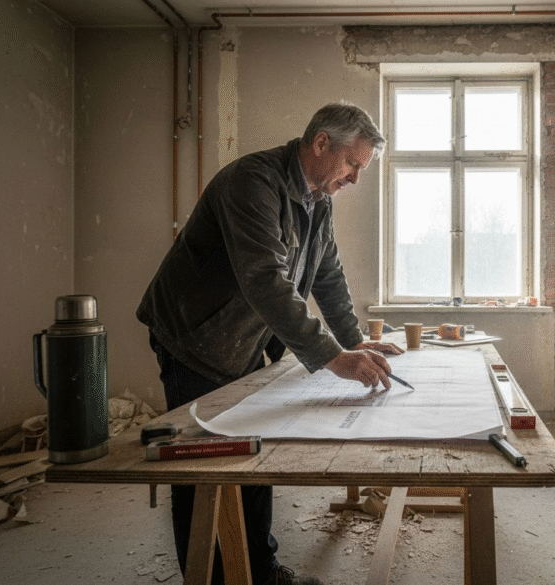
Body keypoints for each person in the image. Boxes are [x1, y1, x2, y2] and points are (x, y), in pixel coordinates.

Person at [137, 103, 403, 585]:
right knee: (203, 466)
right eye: (352, 165)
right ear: (321, 143)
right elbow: (265, 280)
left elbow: (327, 273)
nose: (354, 180)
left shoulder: (318, 198)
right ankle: (211, 578)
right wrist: (333, 358)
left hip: (241, 340)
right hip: (195, 336)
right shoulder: (252, 183)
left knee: (251, 453)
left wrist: (355, 340)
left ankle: (260, 572)